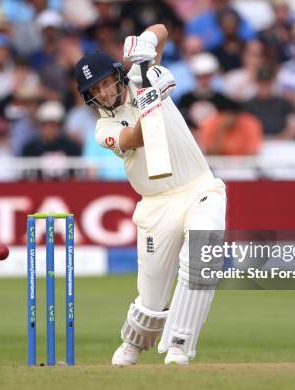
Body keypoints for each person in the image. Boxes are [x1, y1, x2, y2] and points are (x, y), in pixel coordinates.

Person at [74, 24, 227, 365]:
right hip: (156, 206)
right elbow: (136, 139)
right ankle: (132, 344)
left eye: (105, 82)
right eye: (94, 89)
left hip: (199, 186)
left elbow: (161, 31)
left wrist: (144, 44)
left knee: (204, 252)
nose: (103, 91)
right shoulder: (104, 128)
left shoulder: (140, 75)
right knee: (151, 300)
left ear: (117, 75)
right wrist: (153, 96)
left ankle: (179, 347)